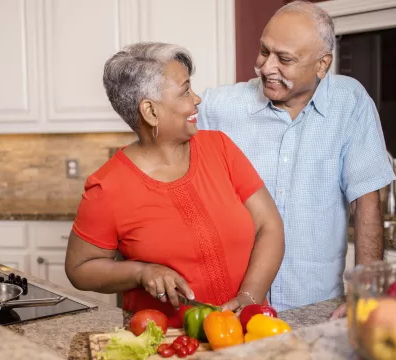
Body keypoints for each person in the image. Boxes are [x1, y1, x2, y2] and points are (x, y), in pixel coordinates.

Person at [196, 1, 395, 318]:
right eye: (264, 51)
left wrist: (366, 293)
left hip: (314, 303)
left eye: (284, 59)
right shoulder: (220, 106)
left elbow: (367, 201)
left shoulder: (350, 103)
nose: (266, 67)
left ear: (322, 64)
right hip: (231, 306)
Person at [64, 42, 285, 328]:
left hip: (248, 332)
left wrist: (249, 297)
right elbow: (79, 269)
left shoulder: (220, 147)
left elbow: (270, 226)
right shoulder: (107, 188)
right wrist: (141, 272)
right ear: (150, 112)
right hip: (167, 344)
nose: (196, 99)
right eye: (184, 91)